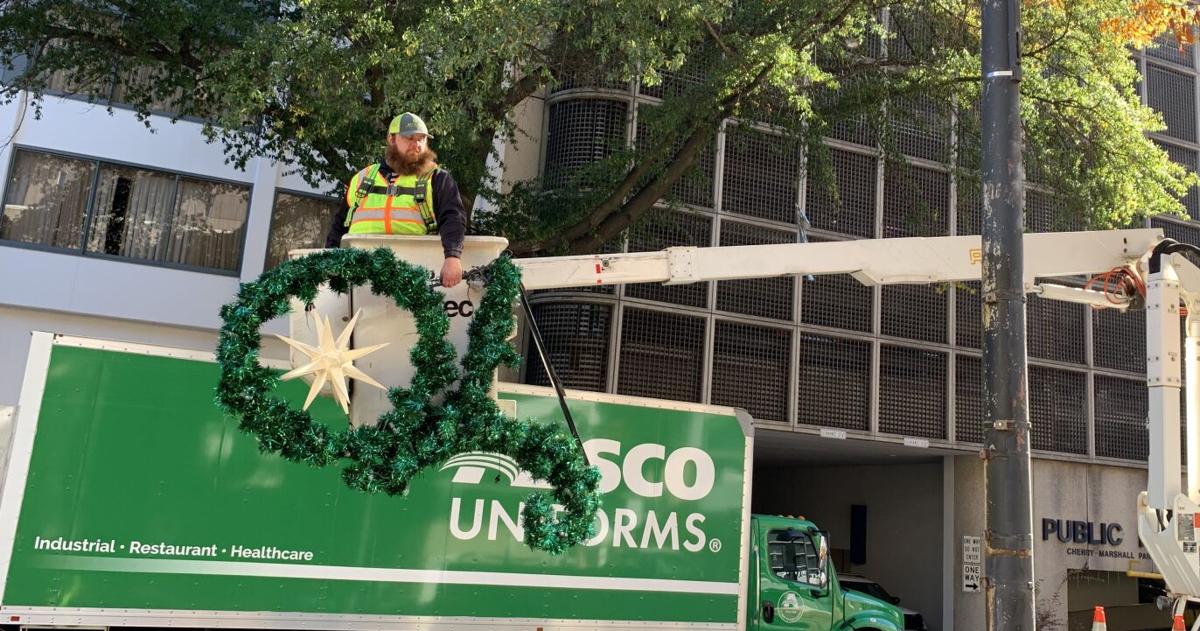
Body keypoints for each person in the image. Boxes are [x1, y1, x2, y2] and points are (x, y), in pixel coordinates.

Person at [325, 112, 468, 287]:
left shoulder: (437, 178)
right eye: (409, 138)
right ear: (391, 139)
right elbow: (339, 225)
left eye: (421, 139)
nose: (416, 145)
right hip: (359, 277)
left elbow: (453, 218)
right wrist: (329, 259)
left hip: (413, 276)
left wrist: (453, 256)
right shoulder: (362, 178)